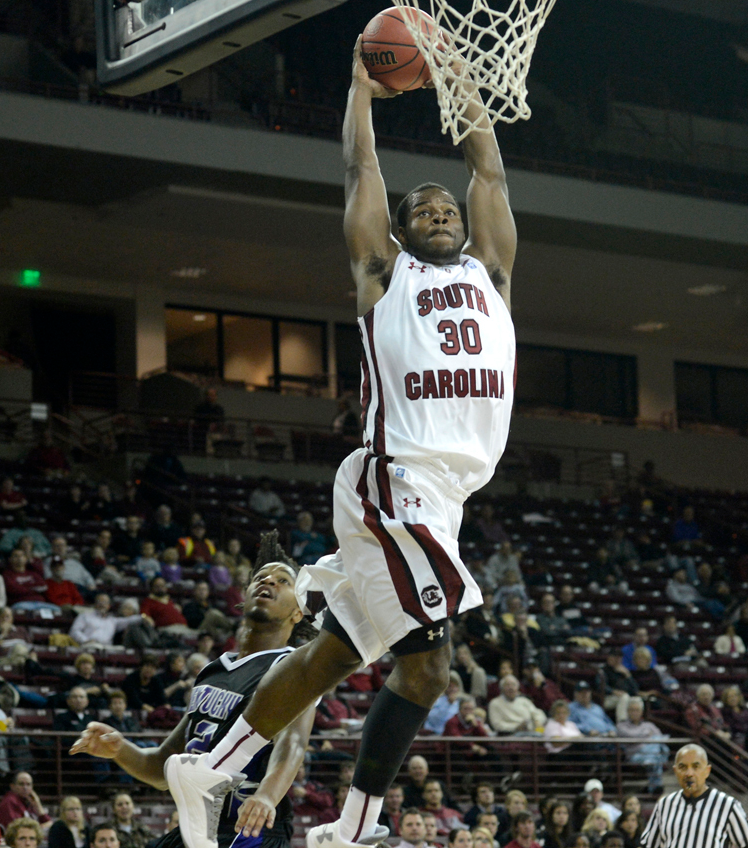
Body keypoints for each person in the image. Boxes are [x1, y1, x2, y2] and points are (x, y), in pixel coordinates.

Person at [163, 42, 518, 848]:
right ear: (396, 229)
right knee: (430, 665)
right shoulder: (384, 275)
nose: (438, 210)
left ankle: (212, 763)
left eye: (446, 208)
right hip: (396, 483)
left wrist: (462, 88)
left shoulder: (492, 273)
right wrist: (360, 91)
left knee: (337, 654)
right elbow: (362, 174)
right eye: (421, 207)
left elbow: (489, 175)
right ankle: (352, 824)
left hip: (446, 498)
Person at [71, 532, 319, 848]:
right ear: (243, 598)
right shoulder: (212, 670)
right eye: (260, 577)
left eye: (282, 580)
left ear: (298, 613)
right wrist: (120, 749)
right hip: (197, 829)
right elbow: (163, 766)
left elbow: (294, 741)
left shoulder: (293, 666)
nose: (268, 581)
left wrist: (268, 796)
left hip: (250, 829)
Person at [640, 745, 748, 848]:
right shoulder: (664, 804)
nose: (689, 773)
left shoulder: (728, 805)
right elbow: (647, 845)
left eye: (696, 767)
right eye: (683, 767)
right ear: (675, 771)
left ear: (707, 770)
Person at [615, 697, 669, 795]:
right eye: (632, 710)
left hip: (650, 755)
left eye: (637, 710)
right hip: (635, 756)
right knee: (656, 745)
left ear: (641, 712)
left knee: (657, 742)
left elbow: (662, 737)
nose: (634, 712)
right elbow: (631, 737)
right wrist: (647, 736)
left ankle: (653, 788)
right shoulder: (621, 726)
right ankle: (655, 787)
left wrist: (648, 738)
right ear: (627, 711)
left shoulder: (649, 725)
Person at [71, 593, 148, 648]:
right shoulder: (85, 616)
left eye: (105, 602)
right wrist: (86, 640)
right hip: (88, 646)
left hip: (106, 648)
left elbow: (128, 620)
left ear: (109, 606)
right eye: (99, 602)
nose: (102, 604)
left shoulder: (113, 620)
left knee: (121, 650)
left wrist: (143, 617)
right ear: (95, 604)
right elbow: (74, 631)